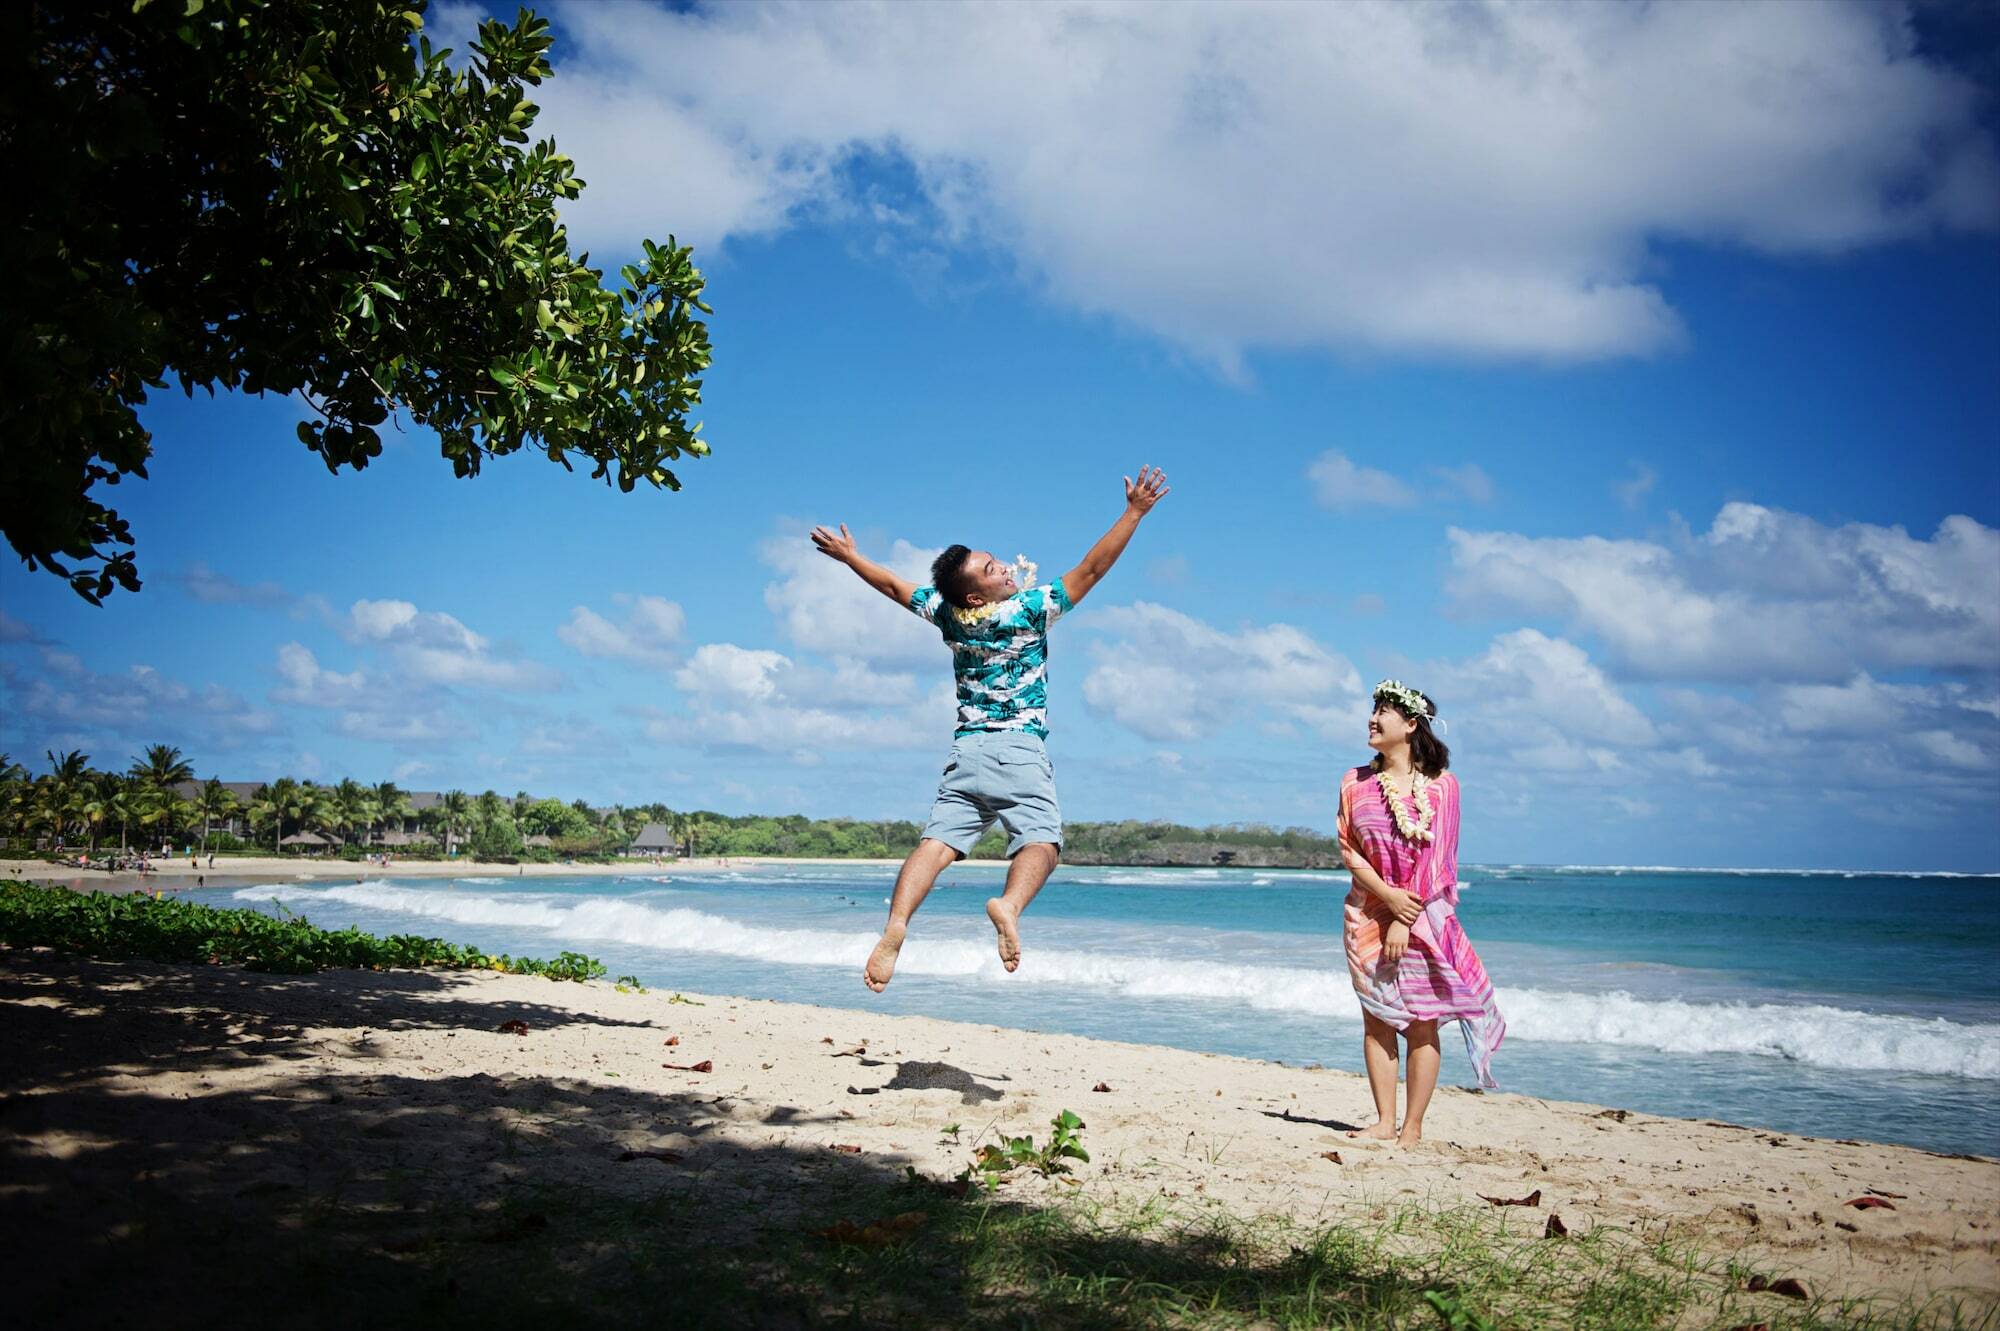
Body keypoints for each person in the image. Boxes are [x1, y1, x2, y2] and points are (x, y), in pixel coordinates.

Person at [812, 465, 1171, 991]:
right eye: (989, 568)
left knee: (935, 844)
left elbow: (892, 586)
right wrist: (1134, 512)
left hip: (966, 756)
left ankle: (895, 926)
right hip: (1018, 752)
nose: (1003, 567)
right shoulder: (1028, 611)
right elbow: (1092, 569)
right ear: (977, 596)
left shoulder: (946, 613)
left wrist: (850, 558)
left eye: (995, 560)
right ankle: (1009, 905)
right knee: (1042, 842)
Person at [1338, 680, 1504, 1146]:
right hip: (1367, 913)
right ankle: (1383, 1122)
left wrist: (1403, 916)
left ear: (1411, 725)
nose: (1373, 718)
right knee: (1376, 1017)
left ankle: (1412, 1128)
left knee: (1421, 1021)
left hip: (1422, 916)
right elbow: (1349, 849)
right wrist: (1386, 901)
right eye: (1372, 710)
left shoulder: (1443, 788)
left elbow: (1439, 863)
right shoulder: (1354, 781)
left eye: (1384, 712)